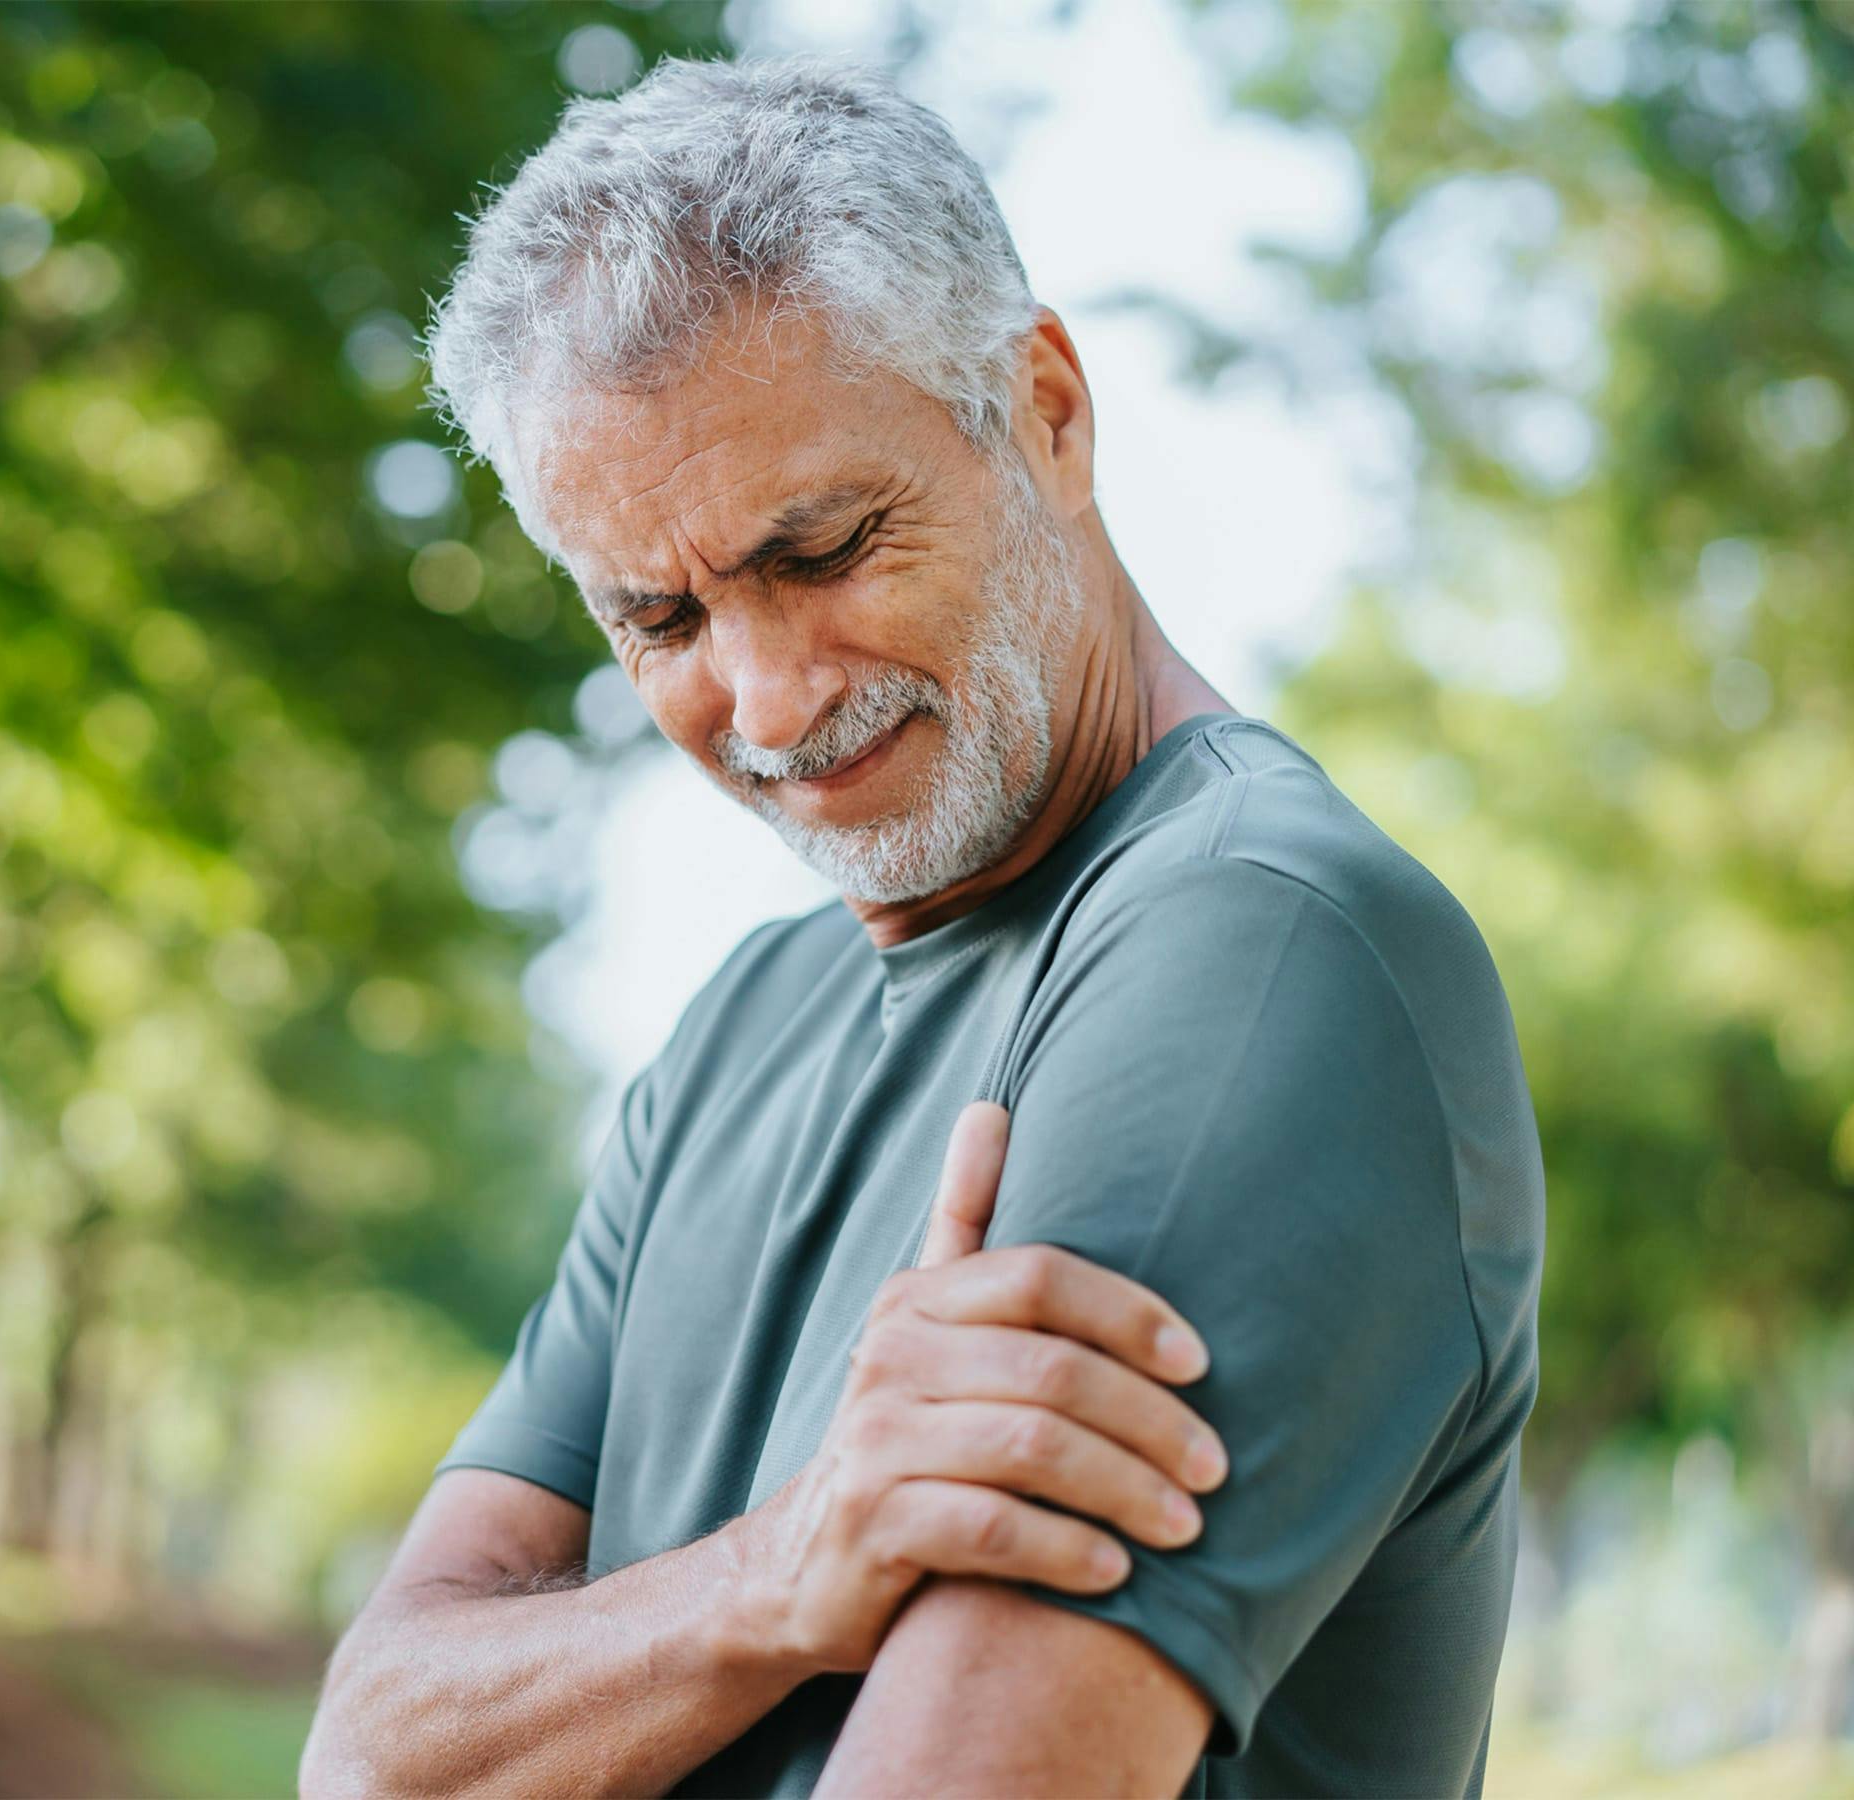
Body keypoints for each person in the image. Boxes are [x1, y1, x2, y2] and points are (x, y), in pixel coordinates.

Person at [299, 52, 1544, 1800]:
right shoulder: (742, 1021)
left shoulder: (1264, 952)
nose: (767, 694)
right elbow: (371, 1752)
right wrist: (779, 1575)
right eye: (658, 615)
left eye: (824, 548)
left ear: (1045, 409)